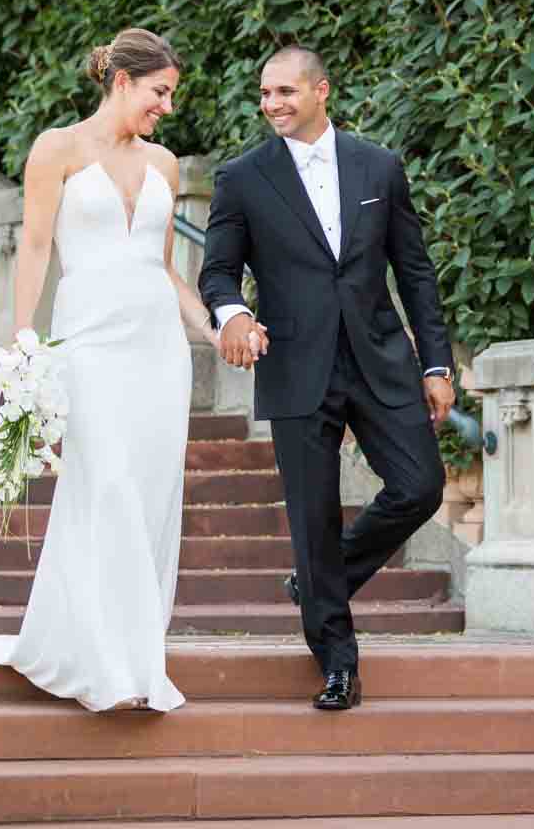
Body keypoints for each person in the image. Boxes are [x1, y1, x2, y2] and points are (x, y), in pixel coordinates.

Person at [0, 28, 216, 713]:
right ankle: (101, 661)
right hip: (90, 344)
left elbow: (166, 268)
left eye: (171, 95)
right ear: (121, 81)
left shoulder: (166, 166)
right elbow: (36, 248)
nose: (167, 107)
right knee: (104, 483)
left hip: (157, 351)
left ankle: (138, 657)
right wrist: (24, 343)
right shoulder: (55, 149)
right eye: (159, 92)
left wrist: (216, 323)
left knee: (147, 497)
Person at [199, 45, 455, 711]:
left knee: (421, 485)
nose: (273, 104)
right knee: (311, 519)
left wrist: (435, 362)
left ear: (322, 91)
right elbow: (217, 271)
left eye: (285, 91)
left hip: (380, 360)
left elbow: (415, 272)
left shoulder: (380, 166)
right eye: (264, 95)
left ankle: (322, 579)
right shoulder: (242, 179)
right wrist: (231, 317)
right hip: (294, 364)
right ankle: (338, 663)